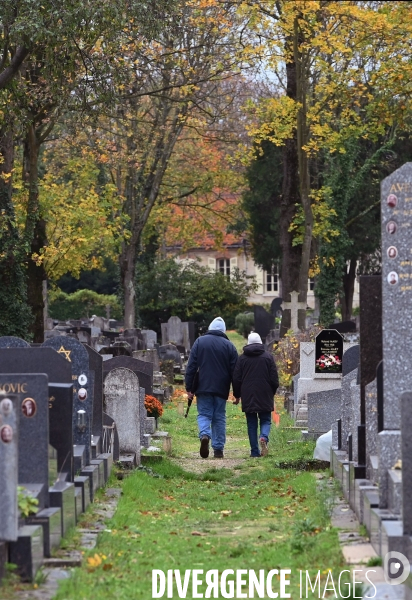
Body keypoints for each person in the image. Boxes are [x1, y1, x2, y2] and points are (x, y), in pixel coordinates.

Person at [185, 316, 238, 459]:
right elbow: (235, 373)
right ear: (223, 330)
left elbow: (191, 367)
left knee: (204, 414)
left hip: (202, 386)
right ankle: (218, 449)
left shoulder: (199, 342)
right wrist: (237, 393)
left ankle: (204, 435)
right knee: (219, 417)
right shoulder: (230, 346)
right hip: (221, 388)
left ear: (210, 328)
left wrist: (189, 388)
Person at [232, 332, 279, 458]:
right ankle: (263, 437)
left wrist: (237, 395)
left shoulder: (242, 359)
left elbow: (236, 379)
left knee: (251, 423)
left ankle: (254, 451)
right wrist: (272, 391)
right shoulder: (268, 357)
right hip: (265, 392)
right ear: (260, 343)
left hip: (248, 394)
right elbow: (274, 378)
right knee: (266, 420)